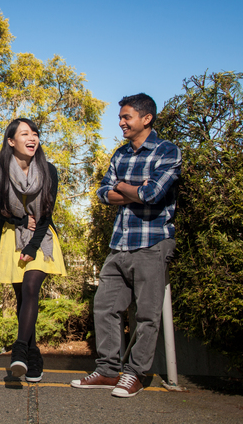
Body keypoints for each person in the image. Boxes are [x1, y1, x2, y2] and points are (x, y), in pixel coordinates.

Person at [71, 93, 181, 398]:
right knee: (105, 307)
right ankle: (107, 371)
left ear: (146, 119)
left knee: (146, 315)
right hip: (120, 242)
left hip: (152, 241)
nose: (120, 123)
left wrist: (122, 186)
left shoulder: (167, 151)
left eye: (126, 117)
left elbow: (153, 195)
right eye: (120, 117)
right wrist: (130, 188)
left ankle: (134, 374)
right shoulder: (120, 154)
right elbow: (103, 193)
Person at [0, 118, 66, 382]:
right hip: (12, 236)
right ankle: (33, 355)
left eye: (35, 133)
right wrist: (19, 219)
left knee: (32, 286)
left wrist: (32, 245)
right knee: (23, 299)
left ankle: (18, 350)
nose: (32, 138)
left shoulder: (48, 170)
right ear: (11, 141)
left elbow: (46, 214)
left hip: (41, 238)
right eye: (24, 134)